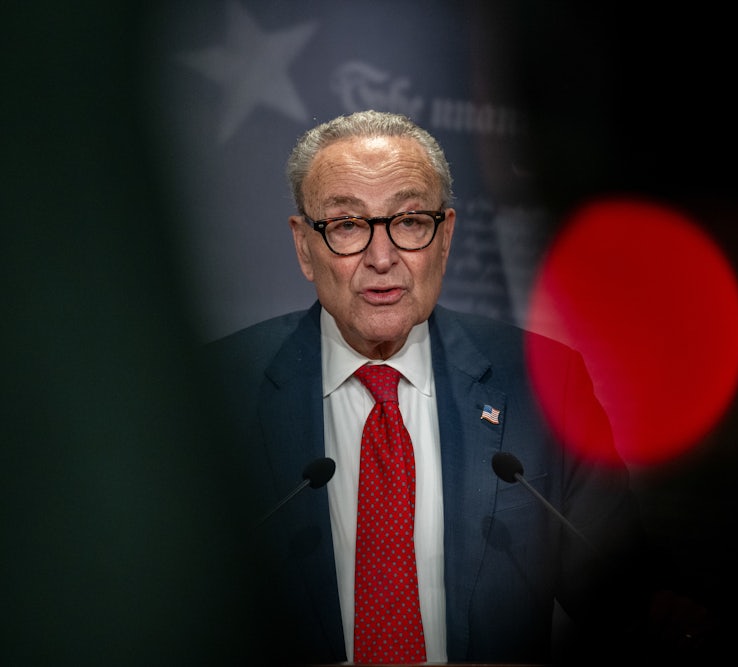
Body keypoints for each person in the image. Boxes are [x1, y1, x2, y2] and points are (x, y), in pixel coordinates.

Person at [204, 110, 656, 665]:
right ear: (304, 246)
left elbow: (629, 608)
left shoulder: (546, 380)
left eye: (410, 221)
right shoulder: (214, 395)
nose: (382, 257)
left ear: (444, 237)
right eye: (347, 225)